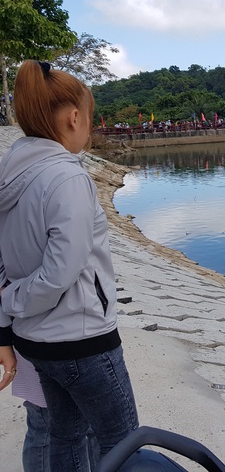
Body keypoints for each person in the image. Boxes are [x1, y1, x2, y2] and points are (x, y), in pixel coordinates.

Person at [0, 60, 138, 471]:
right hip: (82, 340)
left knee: (64, 433)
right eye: (90, 119)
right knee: (124, 438)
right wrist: (14, 299)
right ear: (75, 117)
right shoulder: (67, 178)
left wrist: (9, 316)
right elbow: (61, 271)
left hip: (35, 343)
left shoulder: (11, 174)